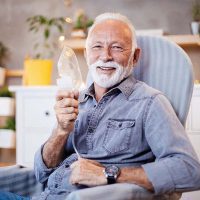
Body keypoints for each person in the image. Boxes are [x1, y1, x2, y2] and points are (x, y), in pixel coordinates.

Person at [1, 12, 200, 200]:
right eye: (97, 47)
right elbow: (42, 172)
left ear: (135, 56)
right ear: (87, 54)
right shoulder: (77, 101)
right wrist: (61, 132)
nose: (105, 56)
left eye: (117, 47)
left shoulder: (150, 103)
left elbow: (189, 170)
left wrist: (109, 173)